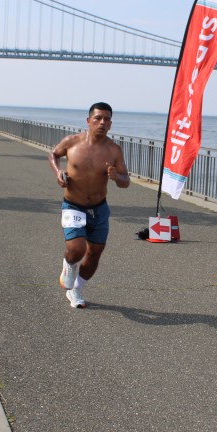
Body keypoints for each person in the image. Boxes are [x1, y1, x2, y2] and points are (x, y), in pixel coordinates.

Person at [48, 101, 130, 308]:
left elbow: (125, 181)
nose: (102, 122)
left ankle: (75, 289)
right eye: (98, 118)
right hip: (73, 205)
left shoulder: (114, 150)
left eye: (107, 119)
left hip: (99, 208)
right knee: (77, 249)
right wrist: (58, 172)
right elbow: (53, 154)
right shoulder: (72, 142)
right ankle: (69, 266)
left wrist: (116, 177)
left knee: (94, 254)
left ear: (110, 124)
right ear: (88, 120)